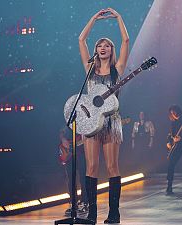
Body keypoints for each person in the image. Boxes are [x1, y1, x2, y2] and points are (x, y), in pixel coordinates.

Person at [78, 7, 129, 224]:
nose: (102, 47)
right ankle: (91, 213)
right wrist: (93, 18)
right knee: (90, 167)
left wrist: (118, 18)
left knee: (111, 167)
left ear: (111, 49)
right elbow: (81, 39)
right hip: (91, 123)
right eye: (99, 45)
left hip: (111, 122)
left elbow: (126, 41)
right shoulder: (89, 69)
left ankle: (114, 213)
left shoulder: (118, 69)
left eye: (107, 45)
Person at [58, 127, 88, 216]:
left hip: (82, 150)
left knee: (84, 177)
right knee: (71, 179)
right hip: (69, 151)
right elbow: (60, 128)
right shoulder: (66, 115)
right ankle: (73, 203)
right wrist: (63, 139)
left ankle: (85, 203)